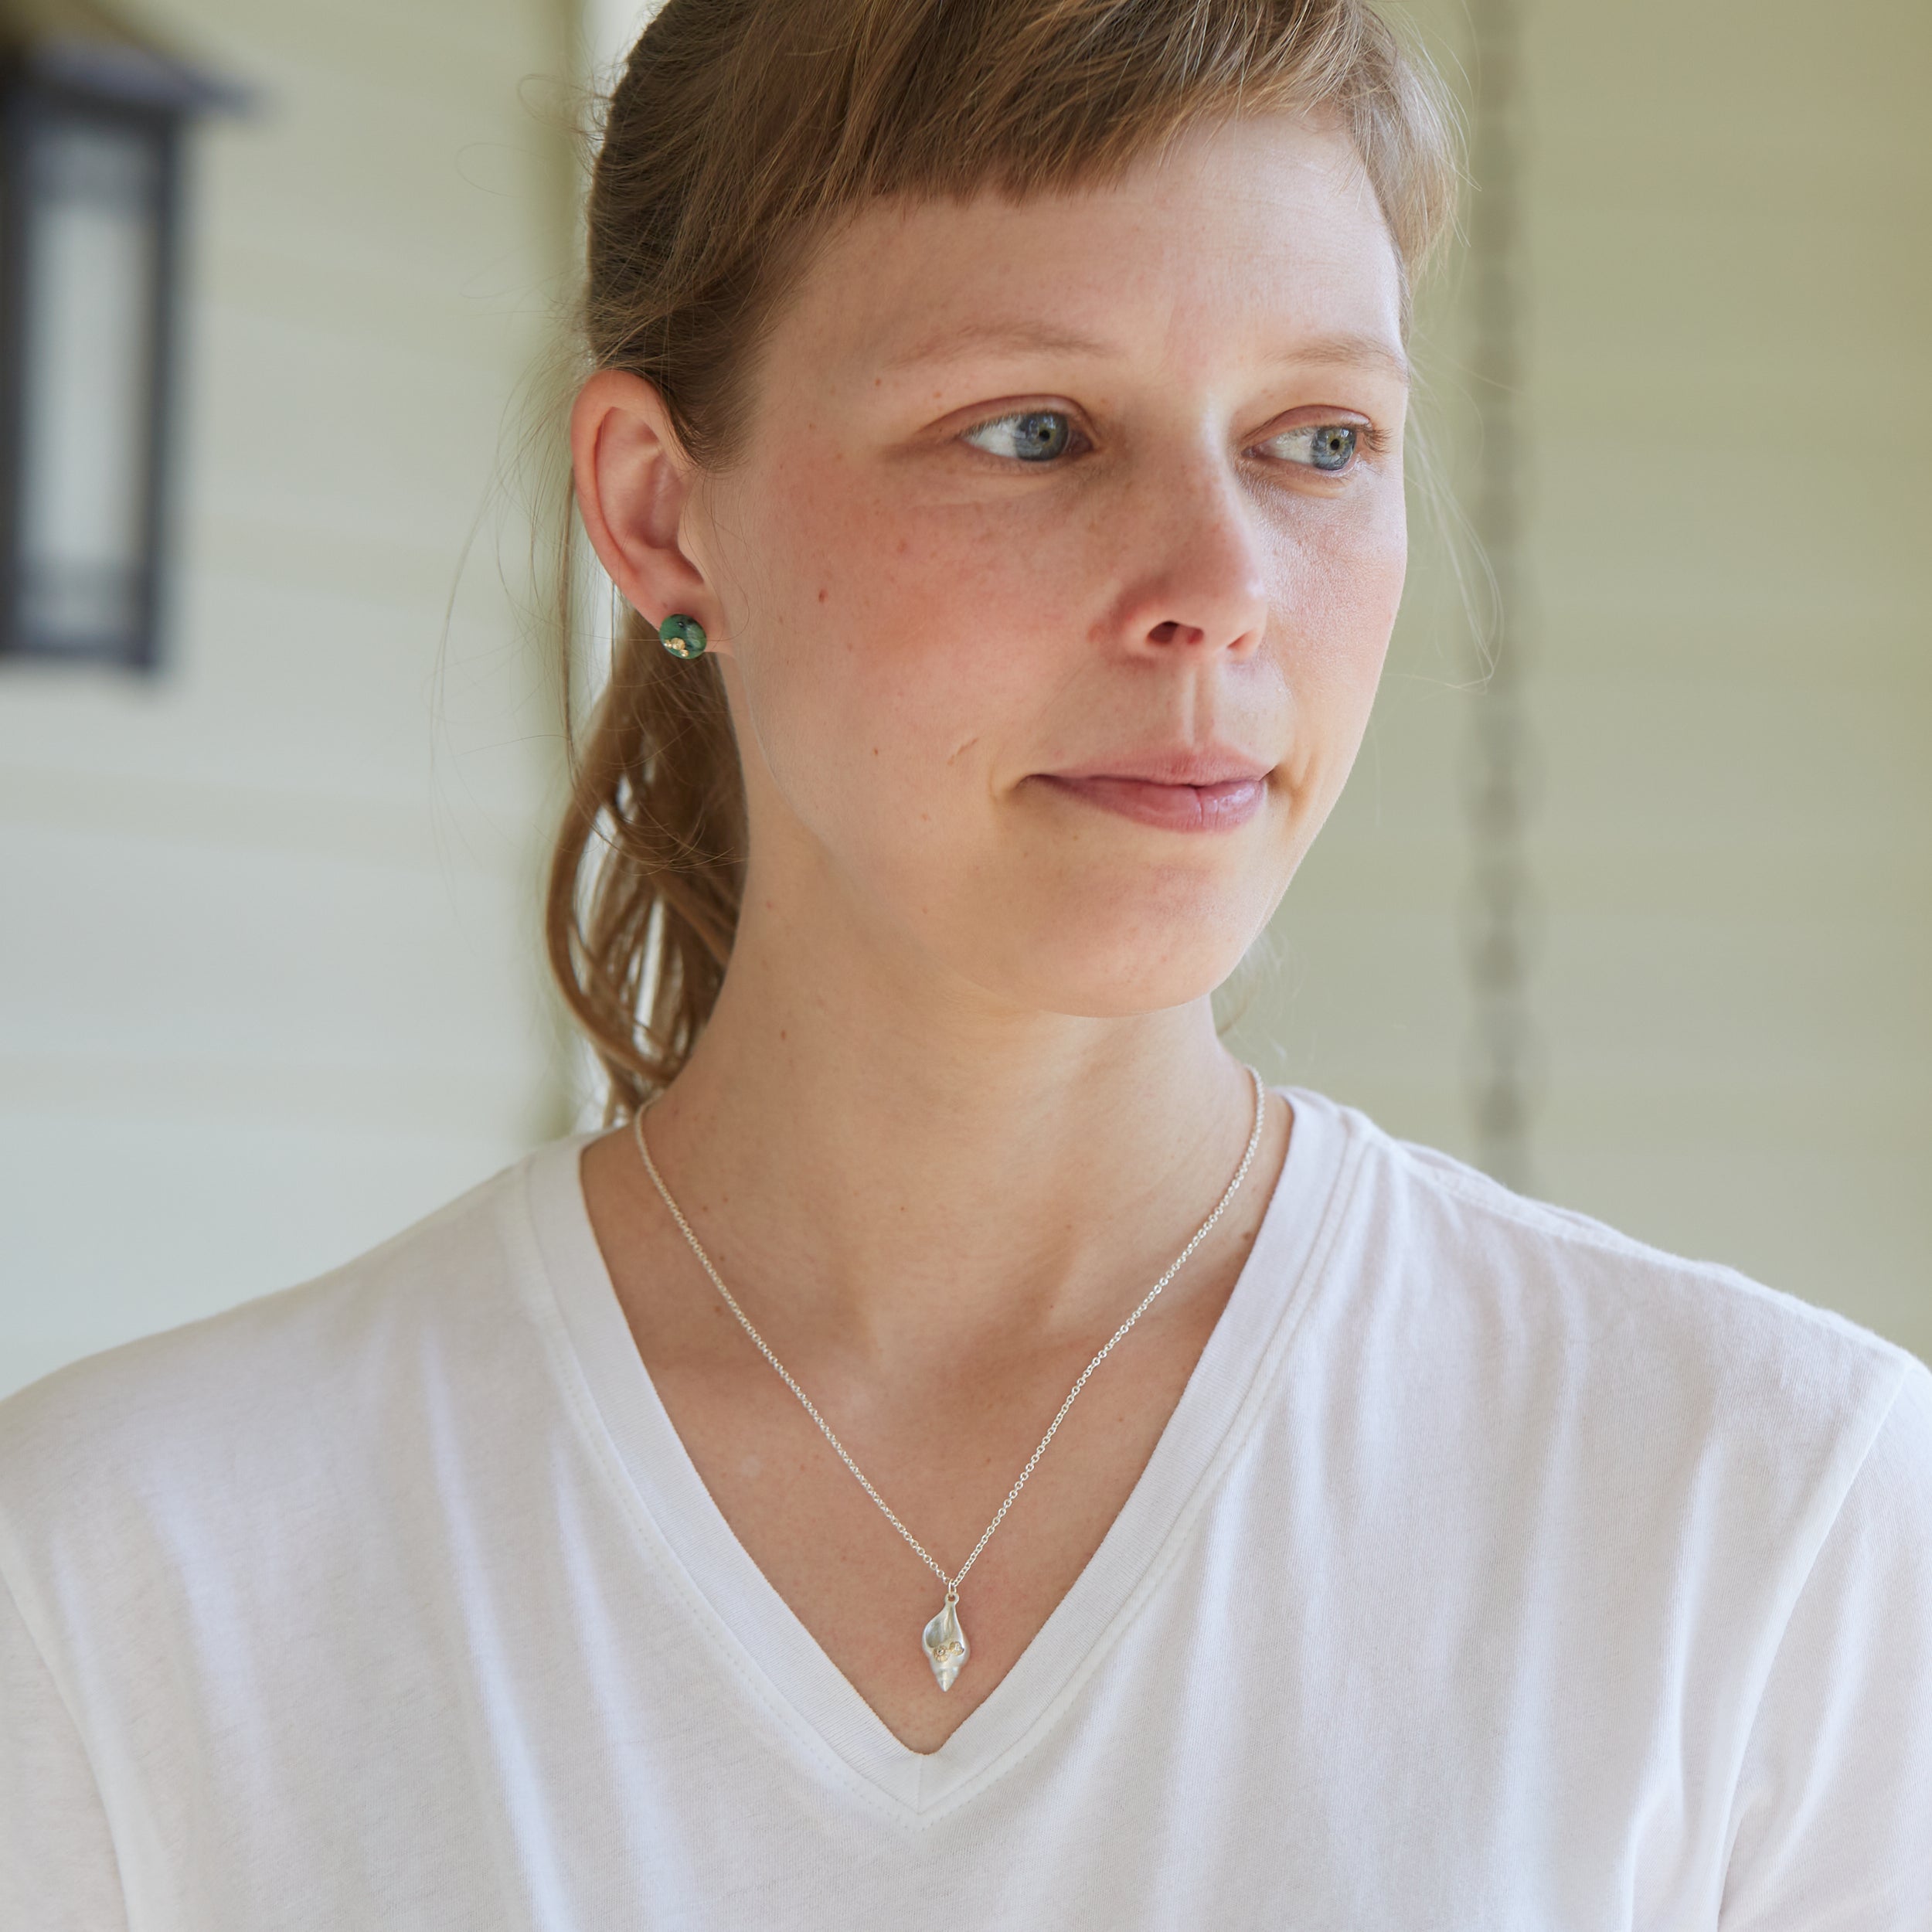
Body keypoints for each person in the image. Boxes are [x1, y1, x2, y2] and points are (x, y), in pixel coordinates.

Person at [4, 0, 1929, 1922]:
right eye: (1032, 430)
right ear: (660, 512)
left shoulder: (1763, 1521)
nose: (1219, 585)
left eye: (1318, 439)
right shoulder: (121, 1582)